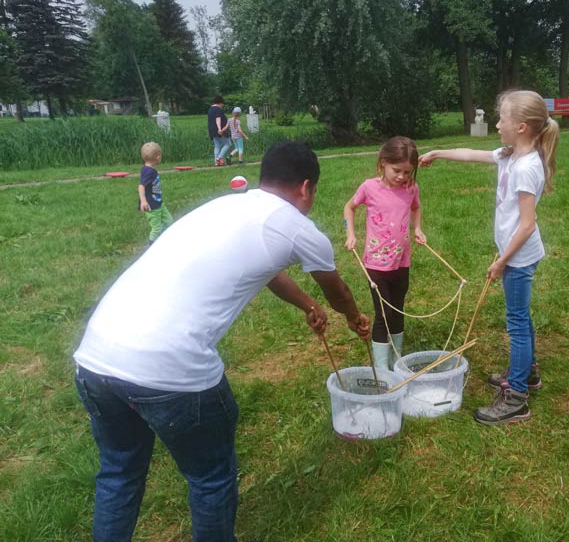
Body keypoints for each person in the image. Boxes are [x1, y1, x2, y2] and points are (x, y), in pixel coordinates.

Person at [73, 141, 371, 542]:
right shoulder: (299, 227)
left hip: (96, 356)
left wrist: (304, 304)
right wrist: (354, 319)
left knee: (119, 471)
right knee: (210, 478)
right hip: (171, 369)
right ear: (306, 188)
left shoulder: (226, 207)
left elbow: (263, 268)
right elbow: (339, 292)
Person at [419, 90, 559, 425]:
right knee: (520, 318)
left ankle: (517, 397)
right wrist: (439, 152)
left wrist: (502, 261)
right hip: (515, 254)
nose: (497, 124)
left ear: (522, 127)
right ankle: (528, 371)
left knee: (517, 324)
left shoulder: (526, 167)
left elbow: (527, 225)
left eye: (502, 119)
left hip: (519, 257)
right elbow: (472, 154)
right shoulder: (511, 155)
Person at [344, 136, 426, 370]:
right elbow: (349, 207)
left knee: (398, 310)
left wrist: (417, 228)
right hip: (377, 264)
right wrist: (351, 233)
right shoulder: (369, 187)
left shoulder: (411, 188)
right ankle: (382, 369)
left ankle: (397, 362)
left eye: (407, 172)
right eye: (396, 170)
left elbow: (416, 207)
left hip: (402, 261)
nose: (401, 177)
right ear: (382, 163)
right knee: (383, 315)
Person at [137, 142, 173, 244]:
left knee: (169, 221)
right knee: (156, 228)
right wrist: (143, 202)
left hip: (158, 203)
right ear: (158, 157)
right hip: (151, 206)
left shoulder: (148, 169)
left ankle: (163, 240)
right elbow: (141, 187)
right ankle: (151, 244)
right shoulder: (149, 172)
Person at [208, 95, 231, 166]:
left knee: (217, 146)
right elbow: (218, 119)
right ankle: (219, 158)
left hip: (212, 130)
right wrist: (220, 129)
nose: (222, 106)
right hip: (219, 130)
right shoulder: (218, 109)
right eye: (222, 104)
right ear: (220, 103)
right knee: (228, 144)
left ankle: (216, 162)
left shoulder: (210, 109)